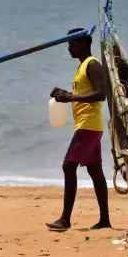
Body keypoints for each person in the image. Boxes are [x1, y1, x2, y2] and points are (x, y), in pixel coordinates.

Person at [46, 28, 111, 231]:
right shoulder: (82, 66)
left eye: (71, 43)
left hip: (88, 125)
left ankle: (65, 219)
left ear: (82, 43)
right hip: (89, 125)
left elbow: (101, 94)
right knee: (95, 170)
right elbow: (83, 93)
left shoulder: (92, 65)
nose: (68, 47)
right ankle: (105, 221)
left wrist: (70, 97)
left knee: (68, 166)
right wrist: (64, 94)